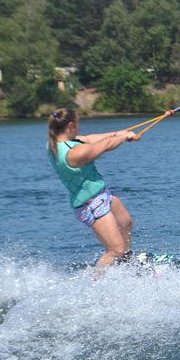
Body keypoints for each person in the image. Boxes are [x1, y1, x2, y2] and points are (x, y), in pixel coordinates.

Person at [47, 108, 137, 275]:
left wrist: (118, 133)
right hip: (91, 205)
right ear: (71, 125)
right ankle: (96, 285)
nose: (79, 128)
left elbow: (89, 139)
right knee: (115, 249)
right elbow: (104, 146)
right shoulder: (74, 153)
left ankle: (126, 262)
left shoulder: (58, 144)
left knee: (125, 223)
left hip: (102, 195)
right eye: (78, 124)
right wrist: (124, 137)